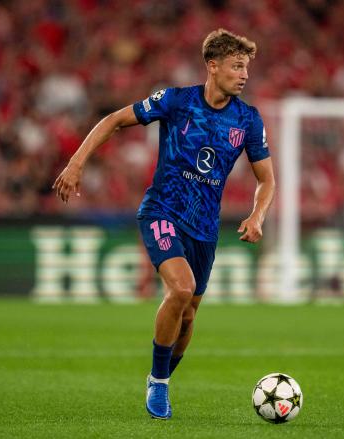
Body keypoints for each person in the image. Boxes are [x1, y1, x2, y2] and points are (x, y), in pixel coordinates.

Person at [52, 29, 275, 419]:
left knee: (188, 315)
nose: (244, 75)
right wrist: (76, 163)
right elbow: (115, 120)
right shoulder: (176, 101)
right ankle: (159, 385)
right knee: (181, 287)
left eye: (247, 67)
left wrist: (258, 214)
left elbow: (267, 179)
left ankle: (160, 376)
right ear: (213, 66)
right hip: (162, 211)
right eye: (237, 66)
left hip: (204, 228)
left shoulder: (248, 120)